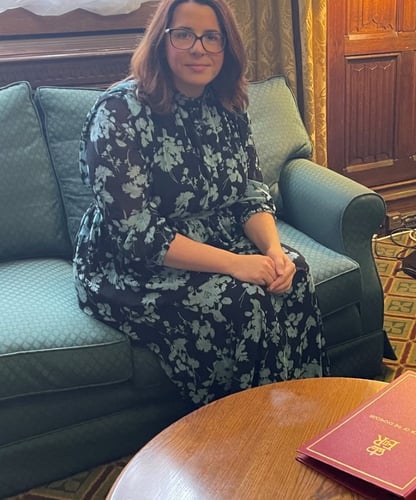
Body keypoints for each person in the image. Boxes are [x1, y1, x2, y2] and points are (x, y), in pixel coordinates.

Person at [73, 0, 328, 407]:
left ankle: (300, 413)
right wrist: (236, 264)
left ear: (227, 47)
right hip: (132, 263)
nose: (199, 48)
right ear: (162, 40)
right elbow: (136, 232)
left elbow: (248, 193)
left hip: (215, 236)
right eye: (184, 34)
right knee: (241, 301)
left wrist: (273, 252)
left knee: (292, 275)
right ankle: (238, 431)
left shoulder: (229, 103)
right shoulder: (119, 112)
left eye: (212, 37)